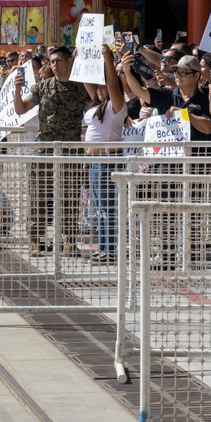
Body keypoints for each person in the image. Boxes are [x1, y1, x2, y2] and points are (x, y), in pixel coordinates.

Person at [13, 47, 93, 256]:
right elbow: (22, 109)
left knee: (69, 197)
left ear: (69, 62)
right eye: (52, 61)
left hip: (69, 150)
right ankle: (36, 241)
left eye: (59, 61)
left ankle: (69, 241)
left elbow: (95, 109)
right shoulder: (42, 87)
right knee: (38, 196)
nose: (54, 65)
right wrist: (16, 90)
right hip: (43, 149)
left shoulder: (80, 89)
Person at [81, 46, 127, 265]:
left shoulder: (115, 106)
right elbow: (86, 81)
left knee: (107, 207)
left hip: (108, 160)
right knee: (99, 208)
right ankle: (105, 246)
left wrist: (107, 57)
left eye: (103, 87)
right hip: (95, 162)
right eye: (97, 87)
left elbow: (111, 84)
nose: (100, 90)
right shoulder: (97, 105)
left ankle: (110, 249)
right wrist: (82, 56)